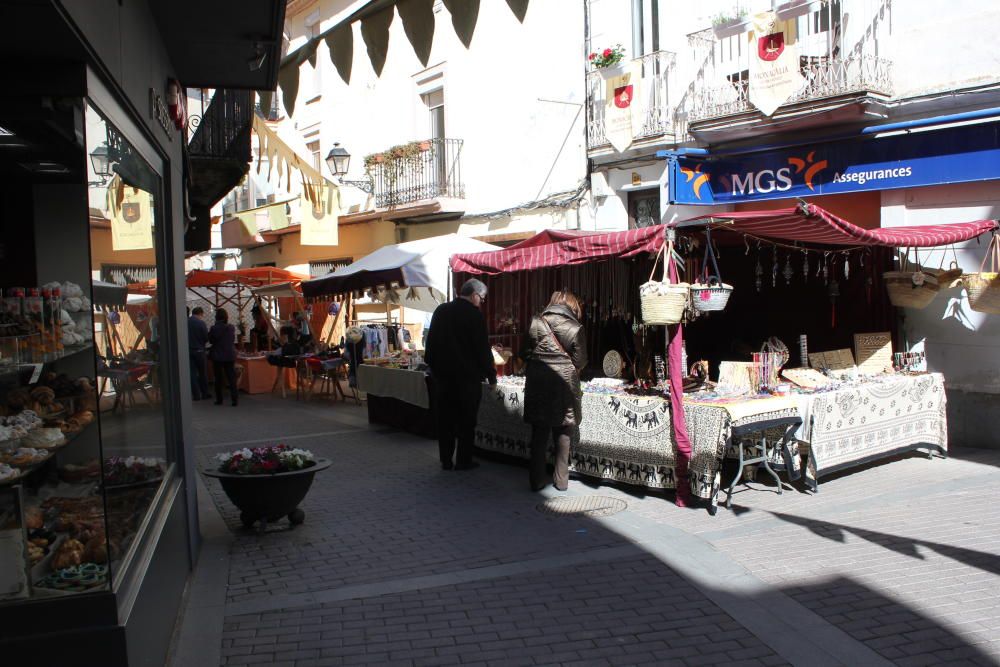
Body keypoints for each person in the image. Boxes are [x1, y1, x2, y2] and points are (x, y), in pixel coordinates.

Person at [425, 278, 496, 471]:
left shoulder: (441, 311)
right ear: (474, 295)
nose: (481, 302)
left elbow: (429, 345)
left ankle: (446, 460)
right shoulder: (475, 316)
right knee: (466, 422)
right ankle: (464, 460)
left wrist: (435, 369)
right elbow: (482, 349)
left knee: (445, 421)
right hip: (468, 381)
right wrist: (491, 375)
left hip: (444, 380)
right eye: (481, 298)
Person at [522, 289, 588, 492]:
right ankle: (561, 481)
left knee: (539, 433)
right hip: (564, 383)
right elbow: (581, 361)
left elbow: (524, 353)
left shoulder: (535, 322)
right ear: (572, 305)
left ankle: (536, 481)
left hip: (538, 381)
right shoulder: (575, 327)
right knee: (564, 432)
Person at [208, 308, 239, 406]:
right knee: (231, 378)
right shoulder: (231, 327)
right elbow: (232, 339)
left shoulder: (213, 328)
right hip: (230, 355)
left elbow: (211, 341)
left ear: (216, 317)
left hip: (218, 356)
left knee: (218, 378)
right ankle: (234, 400)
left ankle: (219, 399)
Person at [187, 306, 210, 400]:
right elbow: (206, 338)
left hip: (189, 350)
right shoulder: (201, 323)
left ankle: (196, 395)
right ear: (200, 313)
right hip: (200, 351)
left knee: (192, 373)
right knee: (202, 373)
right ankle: (205, 393)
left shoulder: (185, 322)